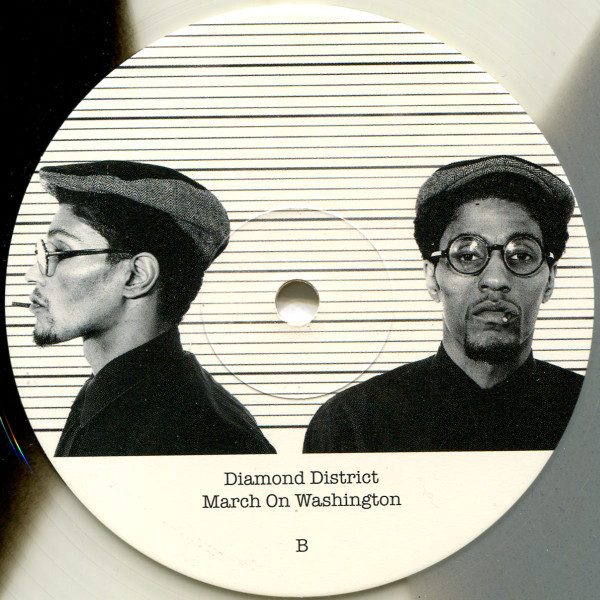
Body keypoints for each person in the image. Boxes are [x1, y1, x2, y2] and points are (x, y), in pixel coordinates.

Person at [304, 155, 584, 453]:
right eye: (467, 256)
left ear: (550, 280)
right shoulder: (353, 424)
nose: (495, 279)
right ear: (432, 278)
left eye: (522, 256)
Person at [27, 160, 275, 456]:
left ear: (136, 276)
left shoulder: (196, 433)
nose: (32, 274)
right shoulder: (111, 393)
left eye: (60, 251)